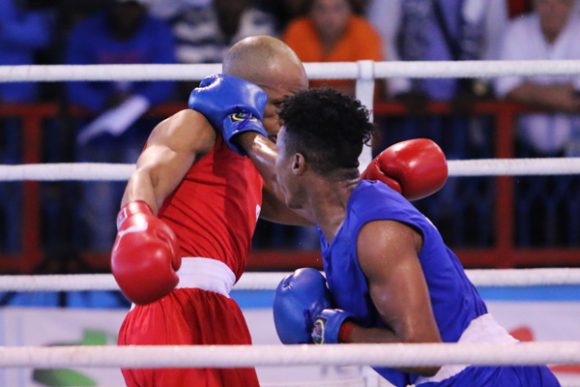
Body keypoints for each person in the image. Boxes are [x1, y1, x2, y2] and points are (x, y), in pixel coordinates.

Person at [111, 33, 448, 386]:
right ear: (248, 93)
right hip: (171, 303)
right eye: (283, 106)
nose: (291, 123)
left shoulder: (256, 164)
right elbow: (148, 174)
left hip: (219, 309)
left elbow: (318, 208)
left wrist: (376, 189)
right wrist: (135, 221)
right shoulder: (193, 124)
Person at [226, 87, 559, 386]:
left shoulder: (377, 236)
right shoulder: (334, 207)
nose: (276, 164)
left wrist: (336, 331)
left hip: (485, 378)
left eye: (281, 150)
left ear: (298, 164)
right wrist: (242, 128)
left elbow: (425, 356)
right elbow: (276, 165)